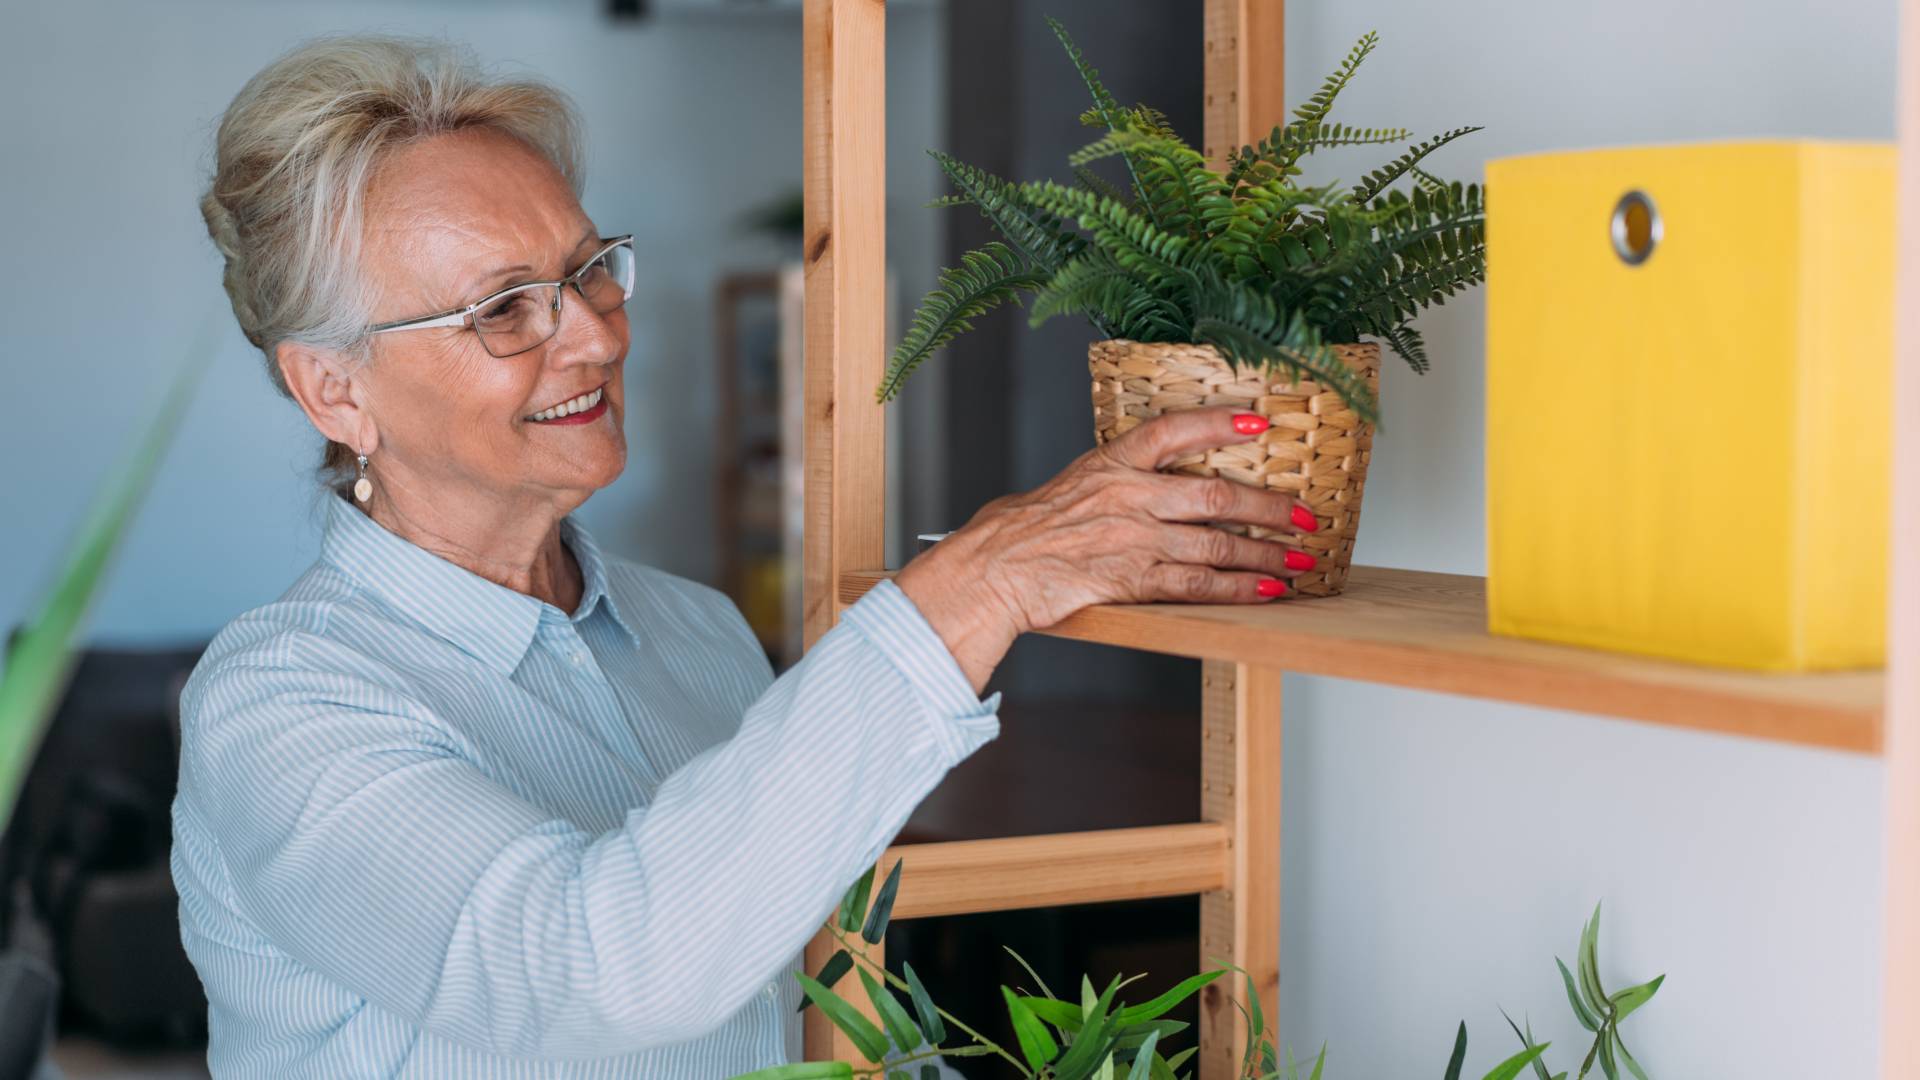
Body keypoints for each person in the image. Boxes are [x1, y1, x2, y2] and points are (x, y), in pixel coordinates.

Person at [172, 33, 1319, 1078]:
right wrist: (980, 581)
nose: (597, 332)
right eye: (505, 308)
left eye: (588, 268)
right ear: (335, 391)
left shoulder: (695, 630)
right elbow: (594, 971)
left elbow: (789, 991)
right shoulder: (281, 699)